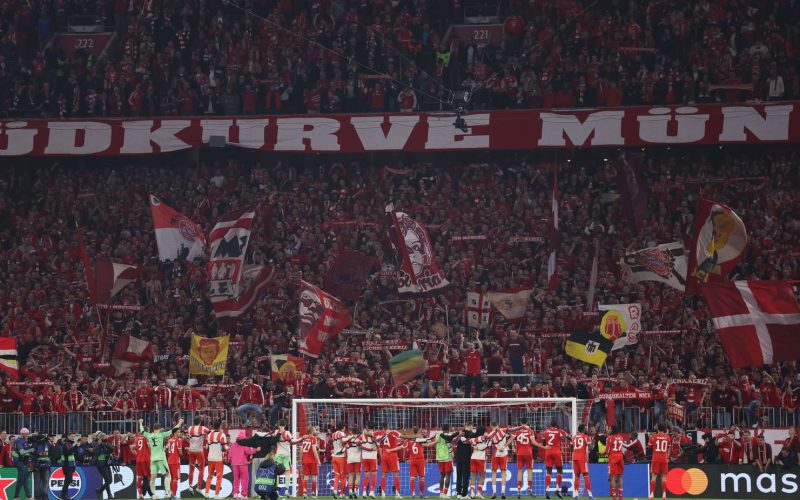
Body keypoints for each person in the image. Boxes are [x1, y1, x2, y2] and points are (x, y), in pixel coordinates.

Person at [140, 417, 184, 498]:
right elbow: (173, 430)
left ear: (153, 429)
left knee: (152, 478)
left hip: (152, 460)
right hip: (161, 459)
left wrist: (140, 423)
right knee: (167, 475)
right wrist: (180, 423)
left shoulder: (149, 435)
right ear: (159, 429)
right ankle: (167, 492)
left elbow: (142, 431)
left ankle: (153, 495)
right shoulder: (161, 435)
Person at [510, 419, 545, 498]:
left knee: (519, 471)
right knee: (529, 470)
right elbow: (533, 442)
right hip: (528, 453)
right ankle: (530, 489)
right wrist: (543, 446)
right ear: (527, 423)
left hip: (520, 453)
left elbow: (511, 439)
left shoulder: (517, 431)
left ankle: (518, 490)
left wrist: (505, 445)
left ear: (520, 423)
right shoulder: (530, 431)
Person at [541, 420, 570, 499]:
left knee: (549, 472)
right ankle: (557, 490)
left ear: (550, 425)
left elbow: (544, 443)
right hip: (557, 452)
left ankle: (547, 490)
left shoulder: (546, 431)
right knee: (560, 471)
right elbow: (568, 437)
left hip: (548, 452)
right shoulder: (559, 431)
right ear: (557, 425)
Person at [456, 422, 485, 499]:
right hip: (466, 457)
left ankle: (458, 493)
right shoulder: (470, 433)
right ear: (470, 426)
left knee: (459, 475)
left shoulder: (460, 433)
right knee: (466, 476)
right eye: (472, 427)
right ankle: (464, 494)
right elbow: (475, 436)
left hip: (458, 457)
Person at [374, 423, 403, 498]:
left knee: (384, 475)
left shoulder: (381, 435)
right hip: (393, 455)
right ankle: (397, 494)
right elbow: (402, 437)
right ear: (389, 426)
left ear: (383, 428)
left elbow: (380, 447)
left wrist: (381, 457)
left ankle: (383, 493)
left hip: (384, 455)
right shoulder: (393, 432)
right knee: (396, 475)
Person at [230, 430, 260, 499]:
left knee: (236, 479)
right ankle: (243, 495)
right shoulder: (245, 443)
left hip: (234, 464)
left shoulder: (233, 444)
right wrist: (256, 450)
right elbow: (249, 452)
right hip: (243, 464)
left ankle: (235, 494)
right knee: (245, 479)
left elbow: (230, 455)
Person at [433, 425, 459, 499]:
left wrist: (439, 451)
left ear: (442, 429)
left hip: (440, 458)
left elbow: (434, 445)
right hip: (448, 457)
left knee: (442, 475)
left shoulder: (438, 436)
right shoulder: (449, 435)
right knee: (448, 475)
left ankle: (441, 493)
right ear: (448, 429)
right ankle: (445, 493)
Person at [487, 423, 512, 499]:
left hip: (495, 454)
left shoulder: (491, 434)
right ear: (498, 425)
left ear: (491, 426)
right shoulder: (503, 431)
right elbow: (513, 436)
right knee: (503, 473)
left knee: (494, 473)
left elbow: (489, 444)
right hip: (504, 454)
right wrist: (504, 446)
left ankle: (494, 492)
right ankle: (503, 492)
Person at [205, 421, 229, 498]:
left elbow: (207, 447)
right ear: (220, 427)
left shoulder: (209, 435)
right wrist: (229, 448)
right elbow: (225, 448)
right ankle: (216, 495)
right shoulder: (222, 435)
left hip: (210, 458)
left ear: (213, 427)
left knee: (209, 476)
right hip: (218, 459)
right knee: (219, 477)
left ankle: (206, 493)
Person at [295, 426, 321, 499]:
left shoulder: (304, 439)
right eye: (315, 429)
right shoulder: (314, 439)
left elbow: (301, 451)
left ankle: (304, 492)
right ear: (312, 431)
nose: (316, 430)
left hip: (305, 461)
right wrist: (318, 460)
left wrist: (301, 460)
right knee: (314, 478)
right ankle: (313, 493)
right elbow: (314, 450)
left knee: (305, 477)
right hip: (312, 461)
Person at [187, 417, 211, 493]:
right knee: (201, 470)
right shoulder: (202, 428)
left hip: (191, 451)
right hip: (199, 451)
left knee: (191, 469)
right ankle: (199, 487)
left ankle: (190, 485)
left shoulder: (190, 428)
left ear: (194, 422)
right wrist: (206, 437)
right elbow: (210, 432)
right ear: (200, 422)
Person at [403, 427, 428, 499]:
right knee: (422, 478)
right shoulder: (419, 438)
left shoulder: (409, 439)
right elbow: (426, 441)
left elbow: (404, 447)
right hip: (420, 460)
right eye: (420, 431)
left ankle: (413, 494)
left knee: (412, 478)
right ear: (418, 431)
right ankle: (421, 494)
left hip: (412, 460)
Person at [647, 424, 671, 500]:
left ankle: (651, 494)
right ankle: (664, 495)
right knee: (664, 477)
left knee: (654, 477)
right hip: (664, 458)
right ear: (664, 429)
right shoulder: (667, 437)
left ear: (657, 429)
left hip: (656, 458)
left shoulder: (653, 436)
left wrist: (649, 437)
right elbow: (669, 447)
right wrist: (668, 457)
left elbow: (649, 446)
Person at [606, 426, 628, 500]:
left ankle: (614, 496)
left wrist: (602, 453)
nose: (608, 430)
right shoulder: (621, 437)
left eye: (609, 429)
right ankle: (621, 497)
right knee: (620, 476)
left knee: (612, 476)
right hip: (620, 456)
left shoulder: (609, 438)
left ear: (612, 430)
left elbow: (607, 451)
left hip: (613, 457)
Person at [571, 424, 593, 499]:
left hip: (575, 458)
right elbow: (591, 448)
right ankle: (590, 495)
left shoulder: (574, 437)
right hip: (582, 458)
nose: (587, 429)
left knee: (576, 476)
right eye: (586, 428)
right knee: (586, 475)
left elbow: (571, 449)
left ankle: (576, 495)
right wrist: (591, 443)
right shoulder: (586, 437)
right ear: (583, 429)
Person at [273, 419, 294, 498]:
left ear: (279, 425)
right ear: (285, 426)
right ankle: (286, 490)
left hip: (278, 454)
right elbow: (291, 442)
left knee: (277, 472)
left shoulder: (276, 432)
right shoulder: (287, 433)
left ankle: (277, 491)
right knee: (287, 472)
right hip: (286, 455)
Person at [12, 427, 33, 500]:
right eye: (26, 434)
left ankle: (28, 496)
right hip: (20, 462)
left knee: (25, 480)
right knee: (21, 479)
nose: (27, 435)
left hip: (25, 462)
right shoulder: (18, 441)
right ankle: (16, 496)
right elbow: (22, 452)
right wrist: (31, 450)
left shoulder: (25, 440)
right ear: (22, 433)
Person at [133, 425, 154, 499]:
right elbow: (150, 447)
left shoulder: (137, 438)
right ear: (146, 431)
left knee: (139, 477)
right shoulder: (147, 438)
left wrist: (137, 454)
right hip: (146, 459)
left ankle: (141, 494)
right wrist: (151, 455)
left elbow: (133, 448)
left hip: (138, 460)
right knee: (148, 477)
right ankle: (147, 492)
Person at [94, 432, 115, 499]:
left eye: (105, 437)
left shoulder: (107, 444)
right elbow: (95, 452)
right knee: (107, 479)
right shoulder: (97, 445)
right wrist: (100, 445)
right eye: (104, 437)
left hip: (107, 464)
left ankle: (99, 490)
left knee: (110, 480)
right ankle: (109, 495)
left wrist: (106, 444)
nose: (105, 438)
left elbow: (112, 449)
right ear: (100, 438)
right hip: (101, 464)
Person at [330, 423, 349, 498]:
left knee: (337, 476)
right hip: (341, 457)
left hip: (334, 457)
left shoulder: (333, 434)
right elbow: (344, 441)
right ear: (343, 427)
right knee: (343, 476)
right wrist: (350, 438)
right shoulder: (342, 433)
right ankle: (342, 493)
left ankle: (335, 490)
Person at [57, 431, 78, 500]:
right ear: (68, 436)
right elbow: (68, 452)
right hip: (67, 465)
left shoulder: (70, 444)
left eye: (74, 436)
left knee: (68, 480)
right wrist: (76, 446)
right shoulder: (67, 444)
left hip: (70, 465)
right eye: (72, 436)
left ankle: (63, 495)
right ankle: (63, 495)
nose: (73, 438)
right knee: (69, 480)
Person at [32, 434, 53, 500]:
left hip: (46, 465)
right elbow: (32, 453)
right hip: (37, 466)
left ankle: (45, 497)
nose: (42, 440)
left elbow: (51, 452)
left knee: (45, 482)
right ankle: (38, 498)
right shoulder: (34, 444)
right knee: (37, 483)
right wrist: (38, 454)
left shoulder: (47, 443)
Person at [469, 433, 490, 498]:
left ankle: (472, 493)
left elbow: (470, 443)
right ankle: (478, 492)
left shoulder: (473, 439)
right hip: (481, 458)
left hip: (473, 458)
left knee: (474, 476)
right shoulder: (486, 439)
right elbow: (488, 445)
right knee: (482, 476)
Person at [344, 427, 363, 498]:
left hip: (350, 459)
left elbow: (344, 446)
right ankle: (355, 490)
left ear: (351, 432)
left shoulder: (348, 438)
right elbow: (362, 447)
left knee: (351, 475)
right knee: (358, 475)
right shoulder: (360, 439)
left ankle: (350, 492)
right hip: (358, 459)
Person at [166, 428, 185, 500]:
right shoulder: (179, 440)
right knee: (175, 479)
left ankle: (171, 494)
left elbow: (166, 449)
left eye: (180, 432)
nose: (179, 433)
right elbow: (180, 452)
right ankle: (174, 495)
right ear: (174, 433)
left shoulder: (169, 440)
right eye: (178, 432)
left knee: (172, 478)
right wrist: (181, 454)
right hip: (175, 461)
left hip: (169, 461)